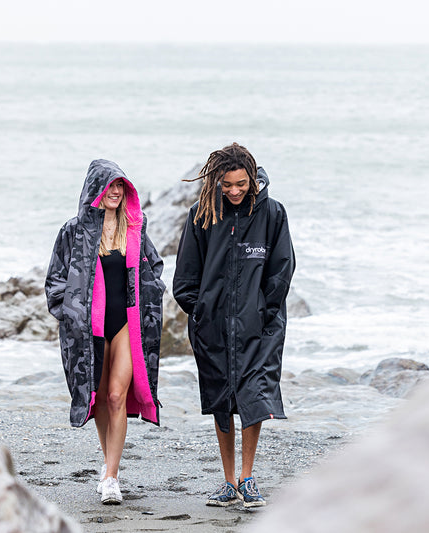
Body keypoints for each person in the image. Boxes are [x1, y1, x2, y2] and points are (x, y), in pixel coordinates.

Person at [173, 142, 295, 508]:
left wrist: (262, 310)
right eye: (227, 185)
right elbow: (185, 279)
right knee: (221, 400)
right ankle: (228, 482)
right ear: (216, 183)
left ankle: (248, 477)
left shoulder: (272, 213)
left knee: (254, 397)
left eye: (241, 184)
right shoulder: (202, 215)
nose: (235, 191)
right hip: (212, 327)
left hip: (260, 326)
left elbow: (282, 268)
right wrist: (203, 312)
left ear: (253, 179)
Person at [45, 159, 165, 505]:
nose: (115, 192)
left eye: (120, 186)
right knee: (99, 399)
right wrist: (68, 314)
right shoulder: (74, 231)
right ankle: (107, 464)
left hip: (126, 324)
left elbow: (154, 268)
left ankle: (111, 476)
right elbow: (54, 280)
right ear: (94, 190)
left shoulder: (135, 228)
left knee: (116, 396)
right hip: (90, 329)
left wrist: (150, 298)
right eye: (109, 186)